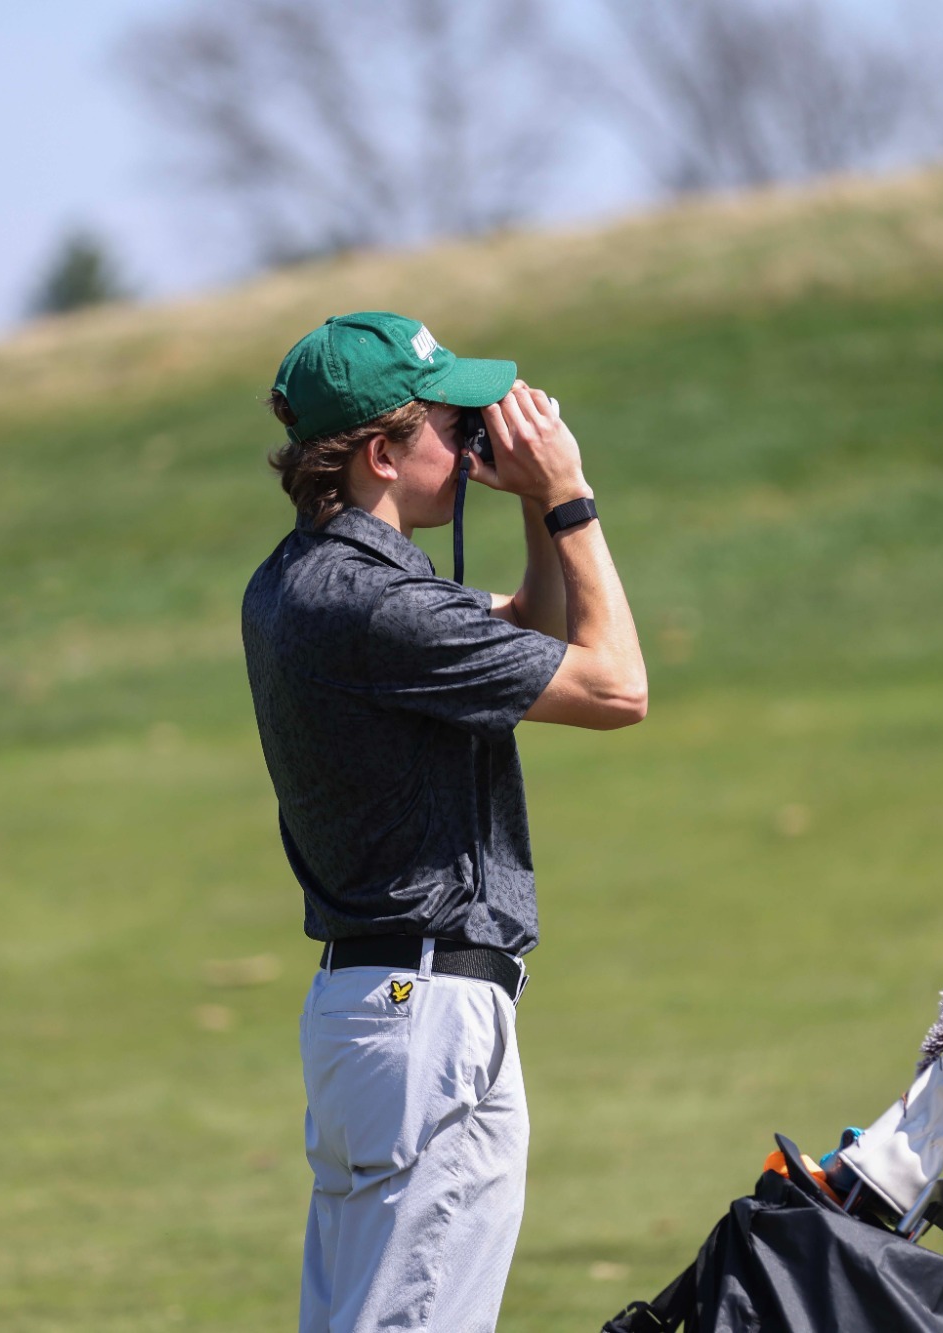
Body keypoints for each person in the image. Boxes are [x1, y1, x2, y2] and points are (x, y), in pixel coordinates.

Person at [241, 311, 648, 1332]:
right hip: (425, 1018)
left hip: (376, 1013)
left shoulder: (303, 584)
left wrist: (525, 515)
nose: (471, 445)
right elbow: (613, 687)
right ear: (381, 452)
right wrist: (567, 500)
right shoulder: (376, 607)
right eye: (447, 426)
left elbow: (525, 639)